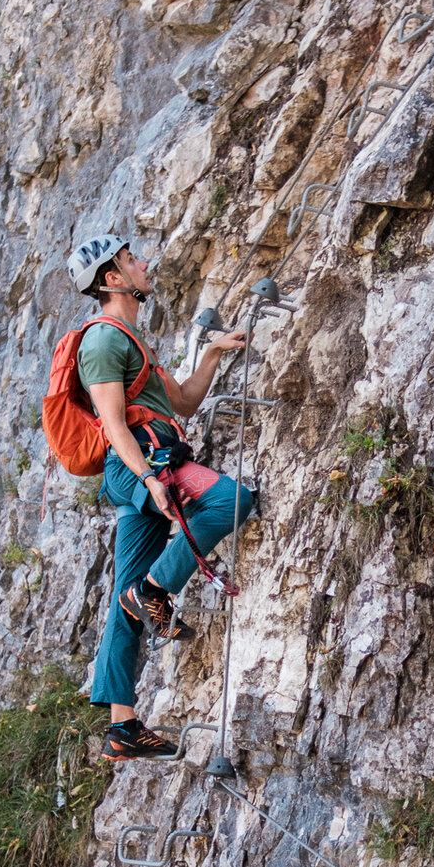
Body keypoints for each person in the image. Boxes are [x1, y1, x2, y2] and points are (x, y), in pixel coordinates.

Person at [65, 233, 254, 760]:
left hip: (147, 466)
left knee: (123, 600)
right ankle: (153, 590)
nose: (144, 263)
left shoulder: (133, 340)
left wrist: (212, 352)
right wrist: (150, 479)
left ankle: (121, 726)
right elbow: (112, 425)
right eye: (132, 259)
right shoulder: (103, 341)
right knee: (231, 501)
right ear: (113, 278)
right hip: (139, 467)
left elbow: (186, 402)